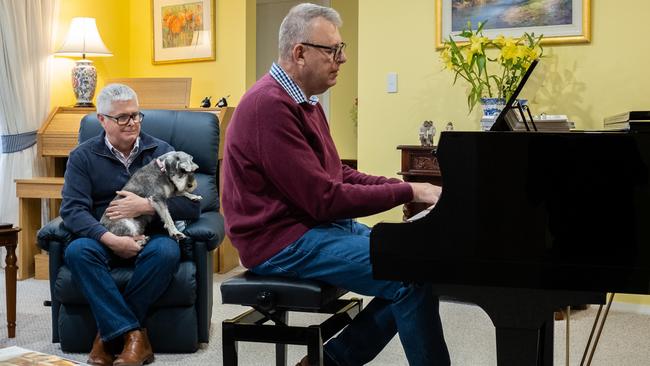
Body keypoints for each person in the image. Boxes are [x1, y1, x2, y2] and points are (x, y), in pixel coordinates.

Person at [222, 3, 450, 366]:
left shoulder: (305, 103)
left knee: (415, 262)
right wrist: (411, 191)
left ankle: (326, 362)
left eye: (340, 50)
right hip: (278, 242)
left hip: (310, 227)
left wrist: (405, 185)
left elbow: (338, 174)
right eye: (333, 50)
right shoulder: (269, 105)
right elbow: (325, 199)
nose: (341, 59)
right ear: (300, 53)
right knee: (408, 277)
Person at [60, 84, 200, 366]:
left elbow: (193, 205)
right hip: (104, 234)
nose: (132, 123)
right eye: (122, 117)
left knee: (167, 253)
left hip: (152, 234)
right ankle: (134, 336)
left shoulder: (162, 151)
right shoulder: (82, 156)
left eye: (136, 115)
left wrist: (146, 206)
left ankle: (107, 336)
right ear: (102, 120)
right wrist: (109, 239)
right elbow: (72, 210)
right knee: (77, 252)